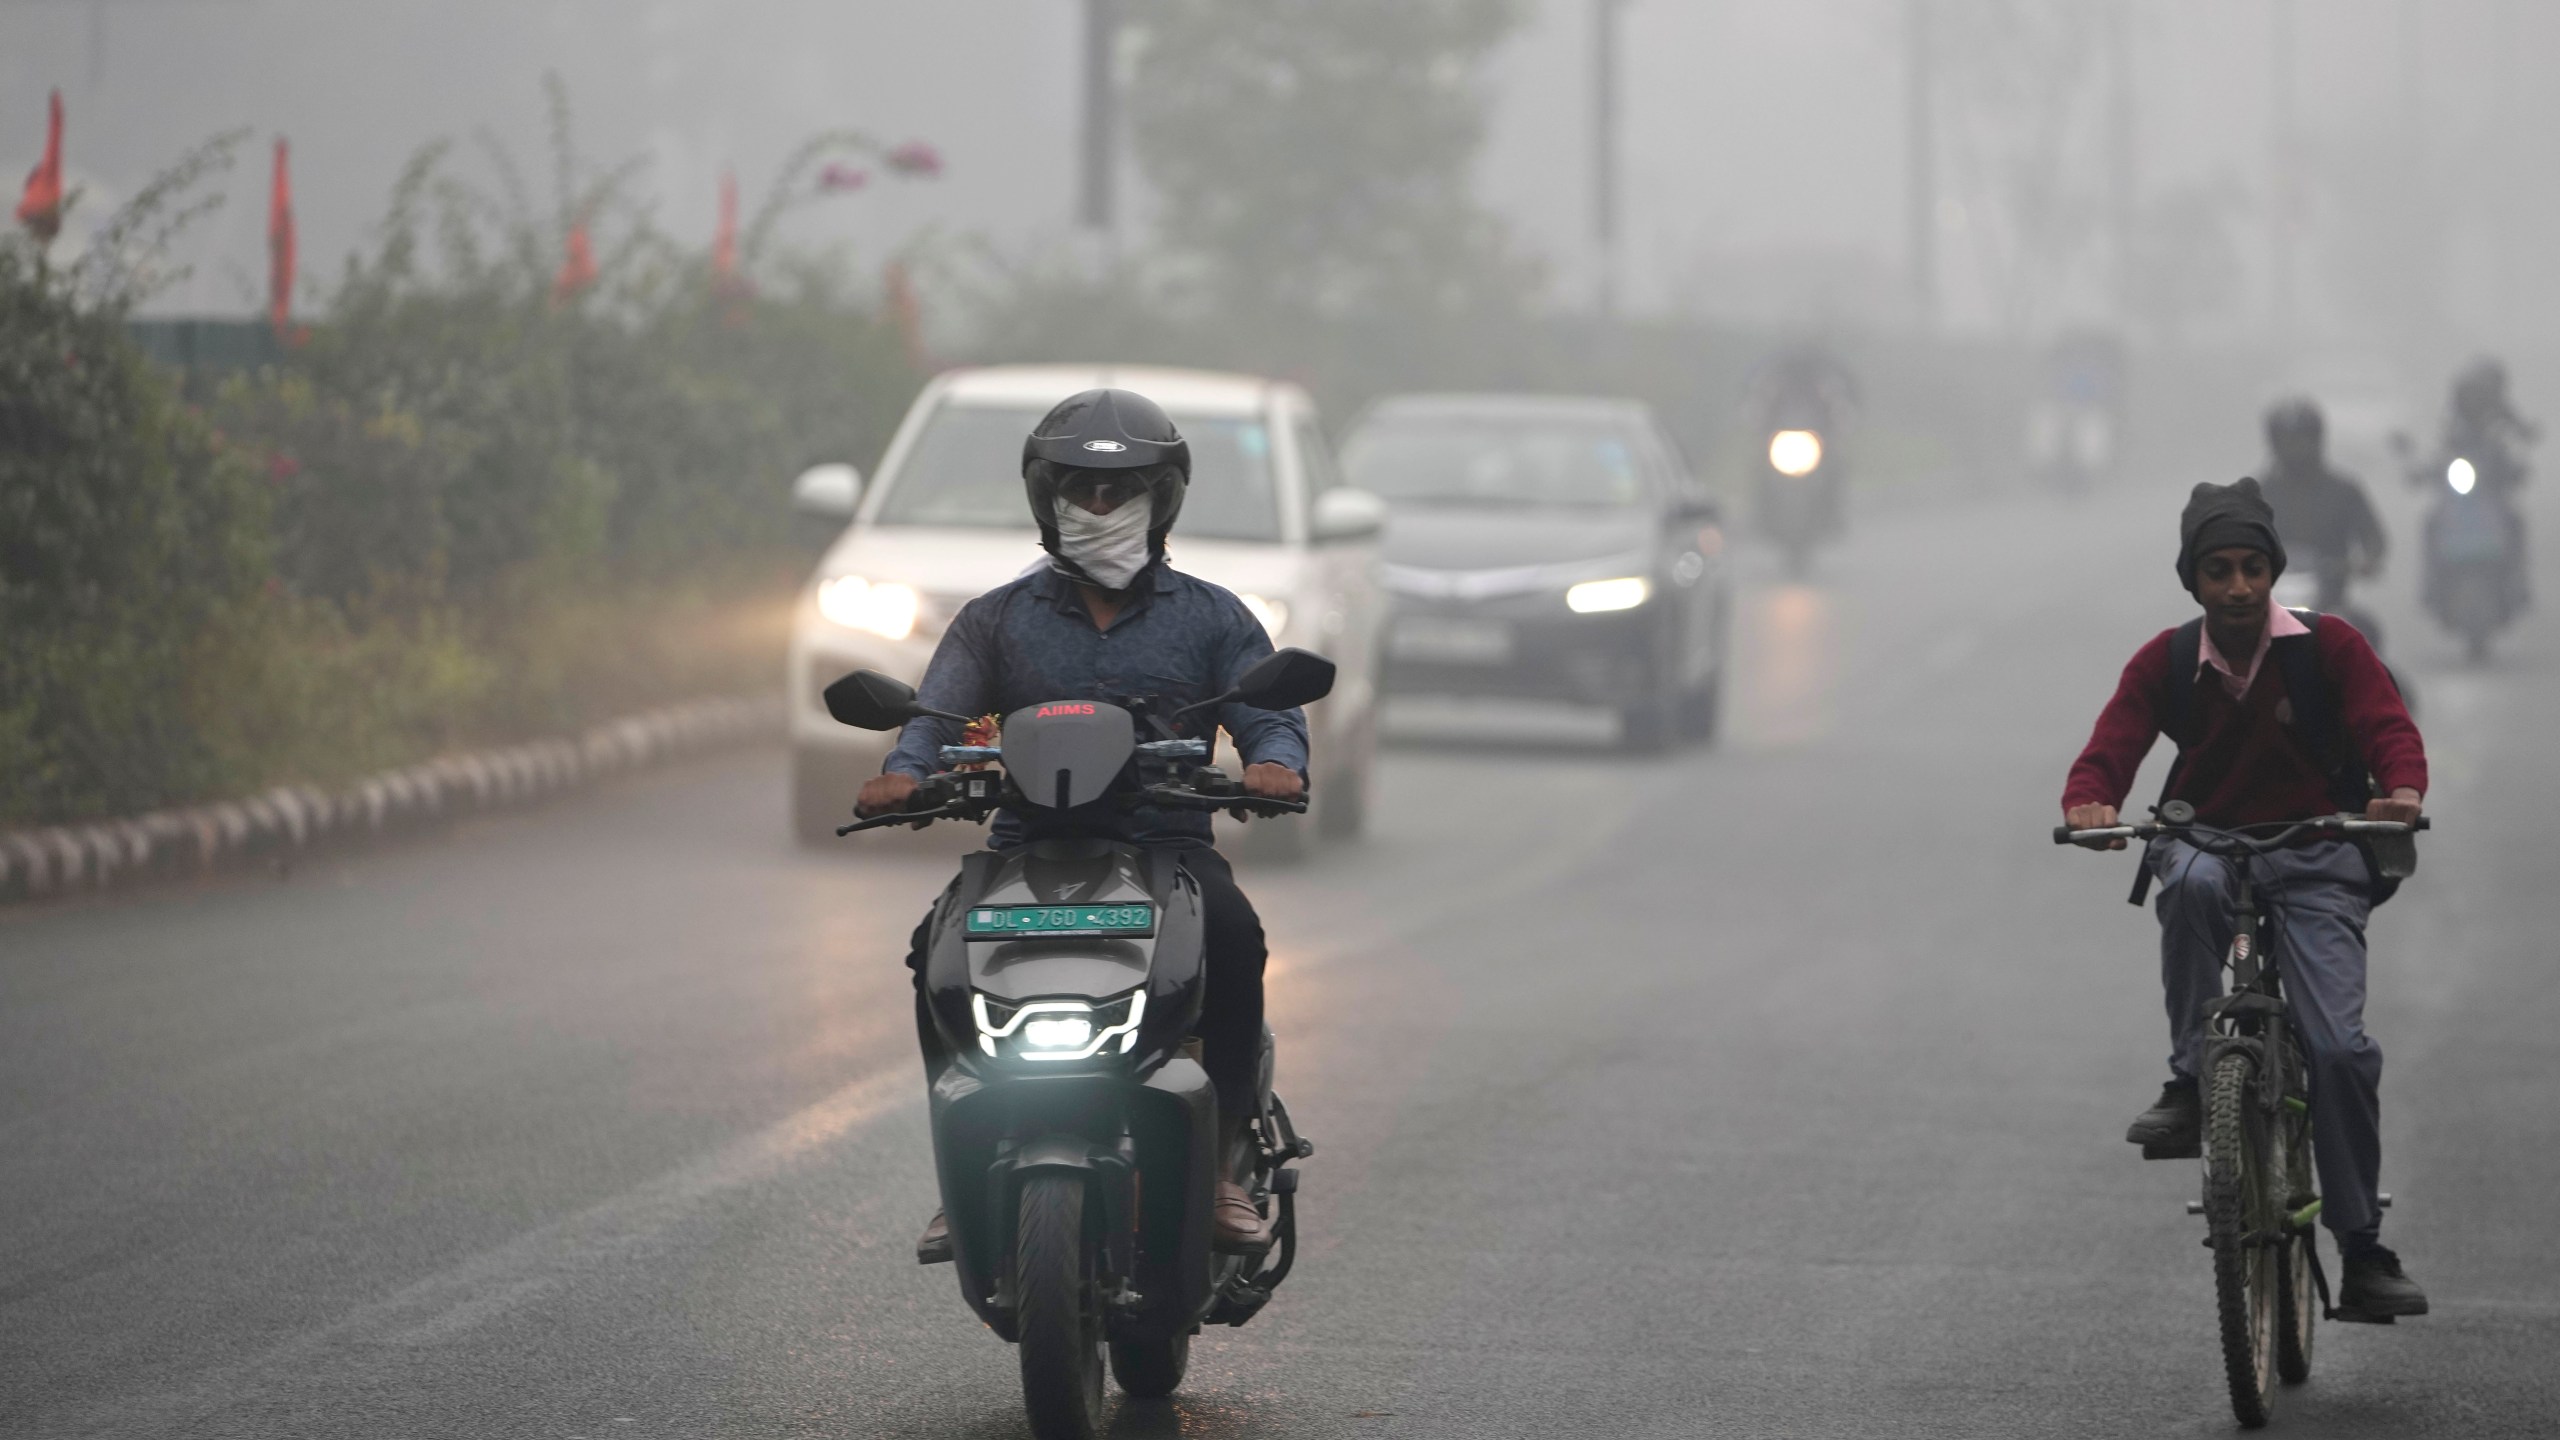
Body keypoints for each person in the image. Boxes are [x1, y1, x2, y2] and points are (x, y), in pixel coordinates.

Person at [855, 387, 1307, 1261]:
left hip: (1167, 850)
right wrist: (903, 776)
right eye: (1081, 489)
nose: (1100, 507)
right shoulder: (995, 621)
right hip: (1027, 849)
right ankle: (966, 1161)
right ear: (1045, 495)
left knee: (1238, 935)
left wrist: (1276, 763)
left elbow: (1270, 712)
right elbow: (935, 717)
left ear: (1162, 497)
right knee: (933, 953)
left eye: (1121, 490)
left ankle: (1218, 1165)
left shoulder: (1215, 617)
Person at [2060, 477, 2431, 1318]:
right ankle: (2193, 1080)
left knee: (2338, 1051)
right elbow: (2107, 753)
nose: (2237, 587)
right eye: (2219, 570)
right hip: (2212, 845)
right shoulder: (2165, 661)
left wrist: (2401, 790)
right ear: (2192, 581)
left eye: (2252, 569)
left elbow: (2390, 733)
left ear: (2273, 574)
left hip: (2318, 853)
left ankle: (2361, 1245)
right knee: (2183, 880)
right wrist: (2088, 800)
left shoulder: (2328, 647)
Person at [2258, 398, 2386, 613]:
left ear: (2317, 439)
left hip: (2330, 602)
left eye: (2301, 439)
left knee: (2366, 630)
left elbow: (2373, 537)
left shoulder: (2344, 491)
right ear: (2274, 443)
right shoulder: (2257, 494)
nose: (2295, 448)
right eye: (2287, 440)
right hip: (2267, 603)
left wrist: (2366, 562)